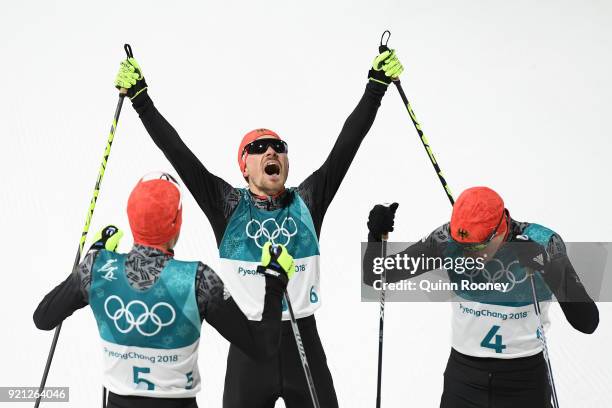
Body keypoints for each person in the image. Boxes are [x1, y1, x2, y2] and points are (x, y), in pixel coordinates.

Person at [113, 47, 404, 407]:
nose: (271, 152)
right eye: (258, 147)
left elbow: (347, 144)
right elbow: (180, 154)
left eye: (278, 147)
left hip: (304, 346)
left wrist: (376, 87)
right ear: (244, 167)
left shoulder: (308, 201)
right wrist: (141, 100)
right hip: (249, 349)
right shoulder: (227, 206)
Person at [33, 172, 293, 408]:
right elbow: (262, 347)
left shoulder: (95, 267)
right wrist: (275, 279)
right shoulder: (199, 280)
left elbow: (43, 318)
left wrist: (95, 255)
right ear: (177, 222)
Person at [363, 186, 599, 408]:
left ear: (500, 229)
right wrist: (375, 234)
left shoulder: (543, 241)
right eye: (462, 245)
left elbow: (587, 321)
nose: (468, 254)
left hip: (524, 380)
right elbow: (377, 275)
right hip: (463, 377)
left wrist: (547, 266)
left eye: (477, 248)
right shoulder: (448, 239)